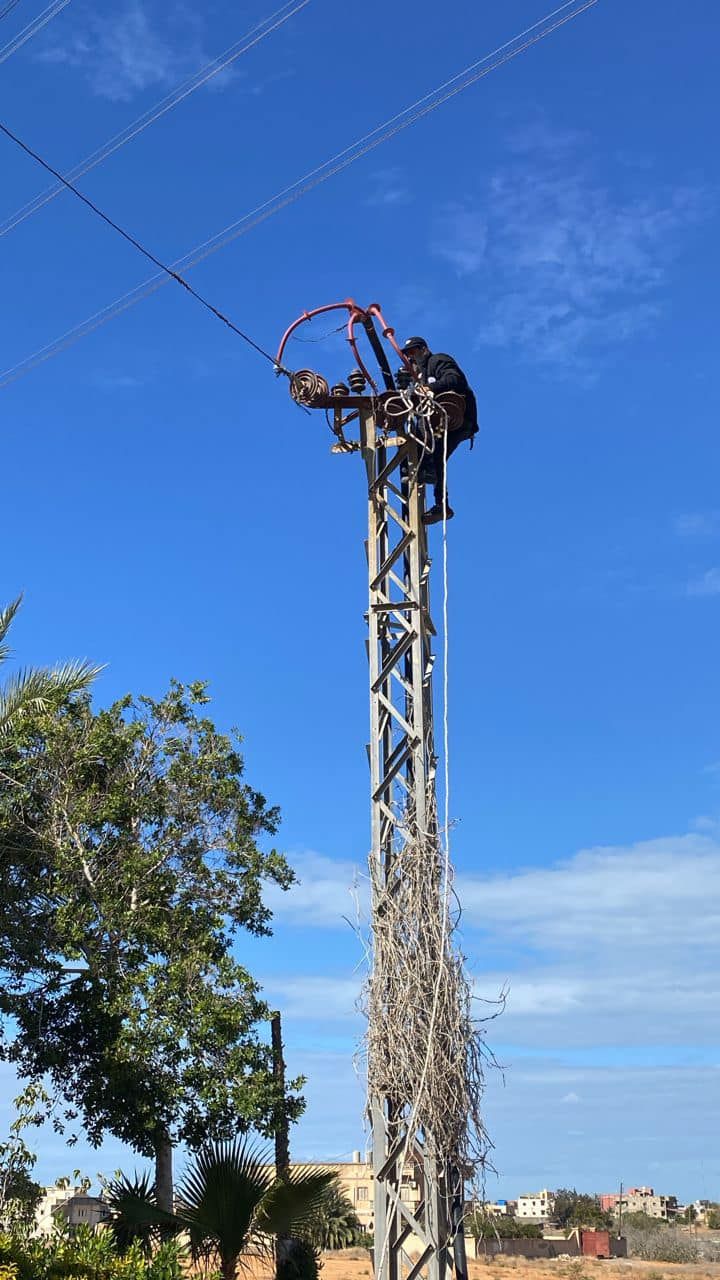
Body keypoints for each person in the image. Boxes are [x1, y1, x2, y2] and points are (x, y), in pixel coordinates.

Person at [400, 336, 478, 525]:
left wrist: (430, 388)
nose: (412, 357)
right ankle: (440, 502)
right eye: (408, 355)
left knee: (432, 449)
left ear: (424, 349)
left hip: (457, 419)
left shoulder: (438, 360)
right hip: (443, 421)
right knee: (434, 455)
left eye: (414, 352)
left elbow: (454, 378)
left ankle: (429, 476)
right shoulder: (423, 374)